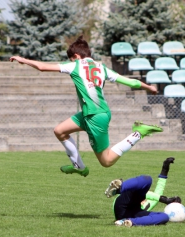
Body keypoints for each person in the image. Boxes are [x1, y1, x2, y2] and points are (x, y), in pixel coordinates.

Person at [10, 36, 162, 177]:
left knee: (106, 161)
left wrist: (23, 59)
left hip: (95, 116)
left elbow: (42, 67)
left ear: (76, 56)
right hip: (90, 113)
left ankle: (138, 134)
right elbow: (131, 82)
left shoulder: (75, 65)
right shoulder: (101, 67)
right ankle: (79, 167)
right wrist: (149, 87)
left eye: (71, 58)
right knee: (60, 131)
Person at [104, 157, 181, 227]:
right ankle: (118, 189)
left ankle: (129, 222)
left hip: (133, 214)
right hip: (123, 204)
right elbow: (150, 194)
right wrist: (164, 199)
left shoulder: (151, 202)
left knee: (165, 217)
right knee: (147, 180)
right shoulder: (145, 195)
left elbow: (159, 190)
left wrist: (165, 169)